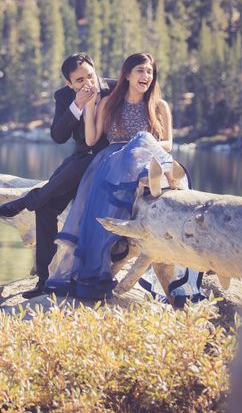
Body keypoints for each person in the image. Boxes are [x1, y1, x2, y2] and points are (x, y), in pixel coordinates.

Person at [44, 52, 180, 300]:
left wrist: (146, 142)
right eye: (140, 70)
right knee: (95, 217)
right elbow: (91, 140)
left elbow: (169, 143)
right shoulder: (109, 103)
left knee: (143, 140)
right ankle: (92, 274)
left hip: (148, 156)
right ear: (127, 75)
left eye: (149, 71)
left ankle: (154, 176)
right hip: (112, 161)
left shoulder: (160, 106)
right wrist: (87, 108)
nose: (146, 76)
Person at [0, 53, 115, 298]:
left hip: (108, 160)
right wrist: (77, 105)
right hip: (80, 160)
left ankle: (27, 200)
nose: (88, 83)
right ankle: (44, 280)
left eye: (90, 76)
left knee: (66, 177)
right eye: (79, 80)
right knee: (47, 207)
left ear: (96, 70)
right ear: (68, 84)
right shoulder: (64, 97)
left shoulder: (114, 88)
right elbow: (58, 136)